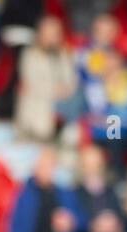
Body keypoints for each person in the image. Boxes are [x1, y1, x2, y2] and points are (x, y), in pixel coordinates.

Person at [14, 14, 79, 143]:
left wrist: (66, 89)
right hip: (36, 119)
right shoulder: (30, 54)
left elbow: (72, 80)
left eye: (55, 34)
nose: (52, 38)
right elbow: (33, 84)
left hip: (61, 117)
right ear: (40, 34)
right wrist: (56, 90)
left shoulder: (64, 54)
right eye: (48, 34)